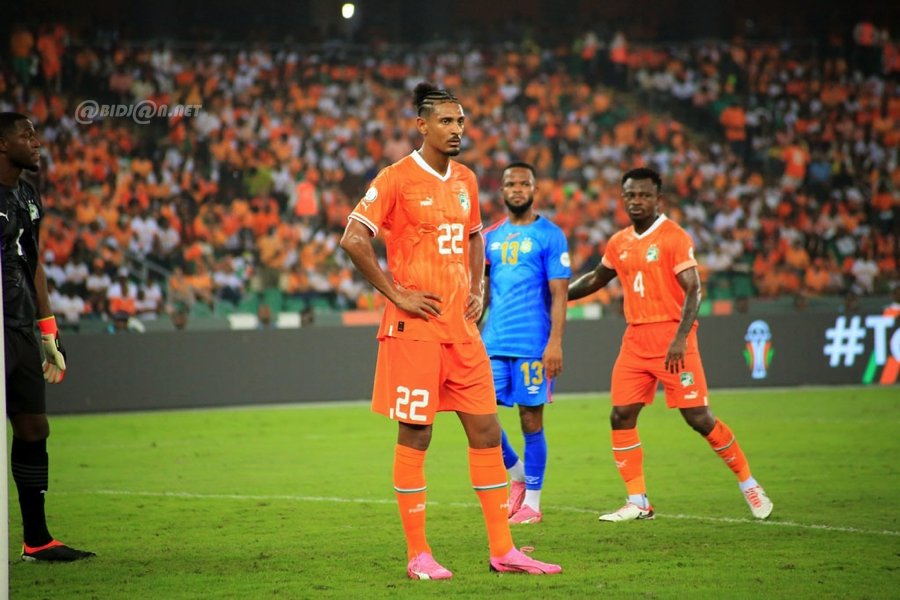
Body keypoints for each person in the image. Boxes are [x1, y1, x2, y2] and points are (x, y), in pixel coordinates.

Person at [340, 83, 561, 579]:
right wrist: (396, 293)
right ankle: (418, 555)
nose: (457, 129)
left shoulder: (465, 179)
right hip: (414, 330)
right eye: (446, 121)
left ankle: (503, 549)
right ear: (422, 125)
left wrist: (479, 286)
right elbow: (353, 238)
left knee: (485, 432)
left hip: (462, 332)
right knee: (417, 436)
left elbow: (475, 236)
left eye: (461, 121)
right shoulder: (395, 178)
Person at [567, 167, 773, 522]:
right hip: (635, 339)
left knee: (698, 418)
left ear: (657, 198)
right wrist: (556, 296)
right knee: (621, 414)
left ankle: (749, 483)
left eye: (644, 195)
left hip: (673, 338)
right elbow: (596, 279)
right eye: (630, 195)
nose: (637, 201)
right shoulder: (619, 242)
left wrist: (680, 337)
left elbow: (694, 289)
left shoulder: (674, 237)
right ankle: (638, 500)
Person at [0, 112, 95, 561]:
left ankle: (36, 540)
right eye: (26, 136)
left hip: (19, 326)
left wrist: (47, 329)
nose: (37, 142)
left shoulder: (26, 194)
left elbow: (33, 263)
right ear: (3, 145)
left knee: (34, 427)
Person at [480, 162, 571, 525]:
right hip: (493, 341)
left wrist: (556, 343)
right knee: (478, 413)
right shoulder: (490, 237)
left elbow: (560, 294)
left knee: (530, 419)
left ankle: (532, 502)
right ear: (501, 191)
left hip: (533, 344)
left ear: (534, 189)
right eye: (510, 184)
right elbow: (482, 292)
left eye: (524, 183)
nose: (517, 189)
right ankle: (515, 471)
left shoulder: (551, 235)